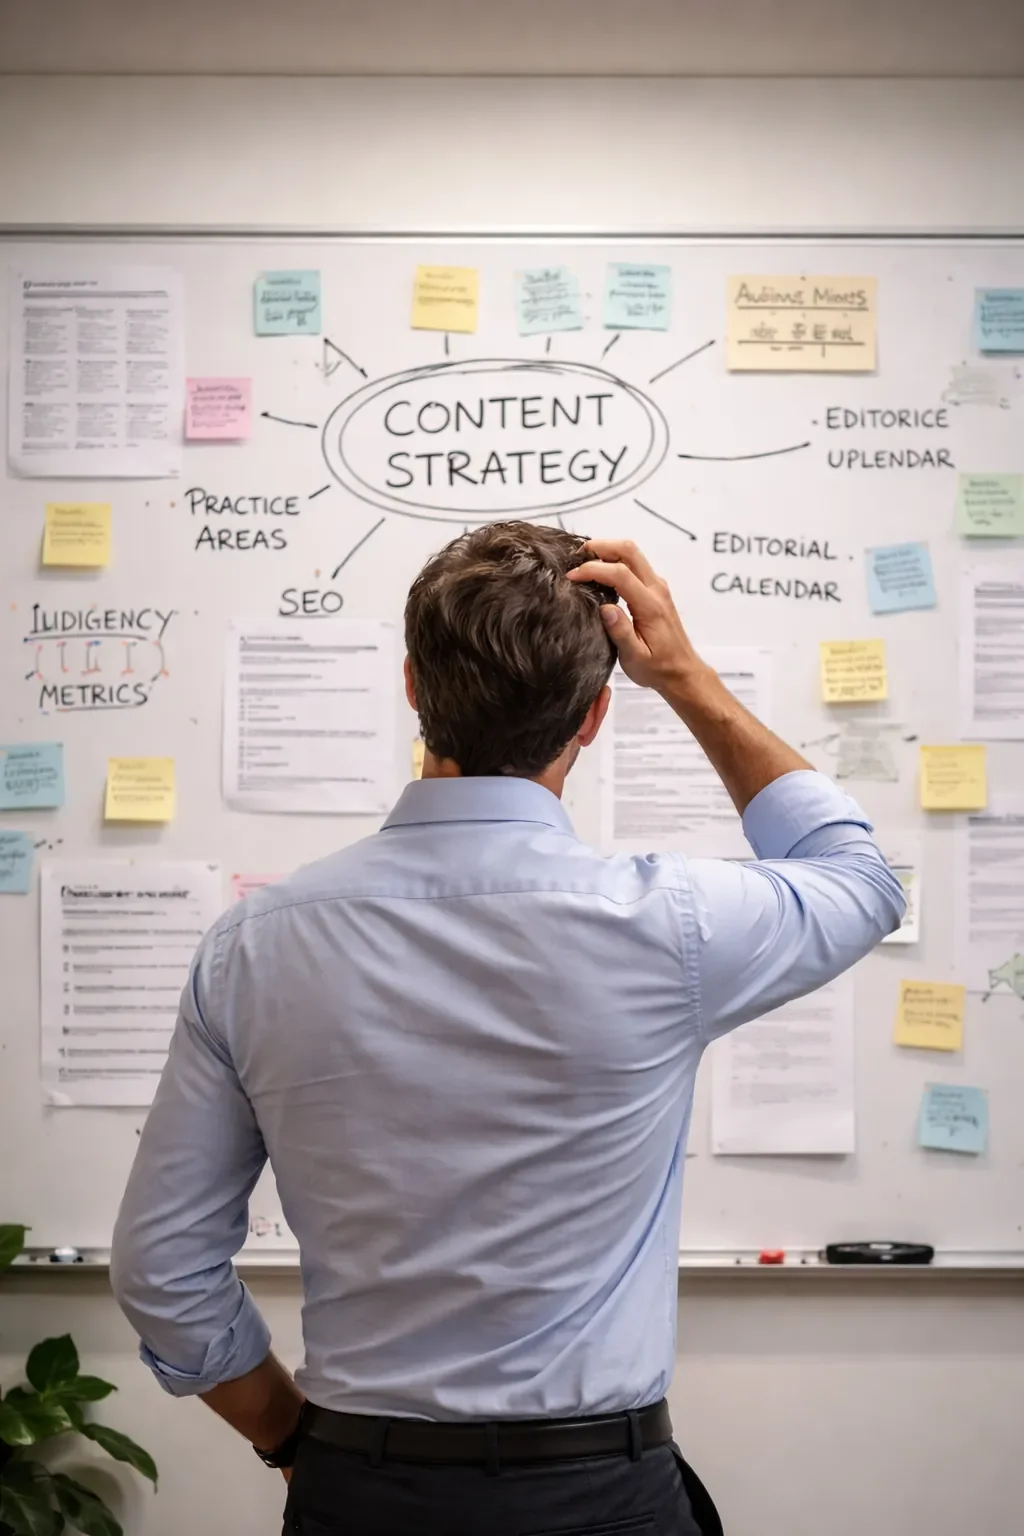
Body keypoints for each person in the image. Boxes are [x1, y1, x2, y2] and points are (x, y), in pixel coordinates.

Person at [111, 525, 904, 1536]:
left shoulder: (256, 944)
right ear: (596, 716)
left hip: (362, 1489)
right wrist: (690, 679)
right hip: (598, 1496)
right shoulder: (673, 925)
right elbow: (859, 878)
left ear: (411, 685)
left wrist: (289, 1439)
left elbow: (160, 1269)